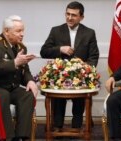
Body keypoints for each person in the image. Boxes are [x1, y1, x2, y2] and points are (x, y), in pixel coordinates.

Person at [40, 1, 99, 130]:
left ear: (81, 17)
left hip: (80, 78)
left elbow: (93, 57)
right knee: (58, 97)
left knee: (80, 97)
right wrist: (60, 49)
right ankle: (57, 126)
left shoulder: (89, 33)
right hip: (59, 77)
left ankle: (76, 127)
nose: (69, 17)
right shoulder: (56, 31)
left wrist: (85, 71)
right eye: (67, 14)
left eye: (74, 15)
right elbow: (43, 51)